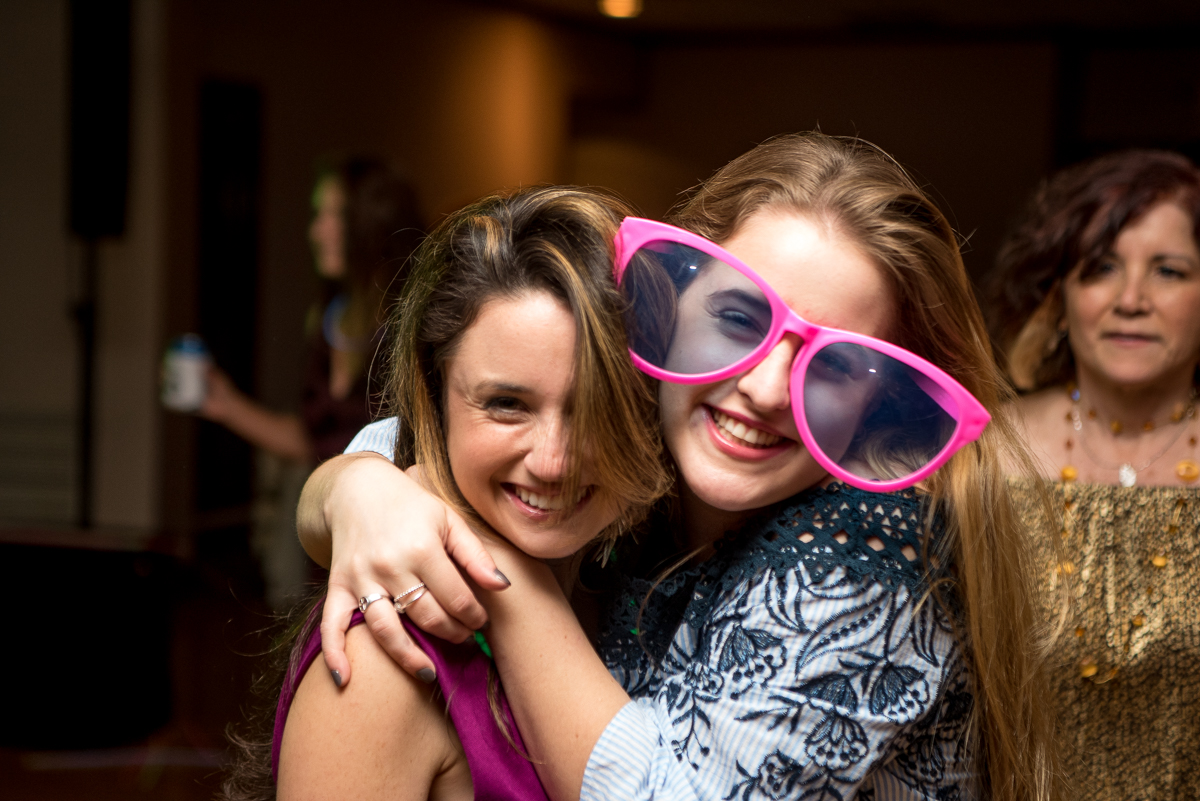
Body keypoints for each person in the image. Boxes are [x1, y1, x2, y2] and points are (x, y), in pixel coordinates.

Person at [298, 134, 1058, 801]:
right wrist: (358, 489)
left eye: (834, 365)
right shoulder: (649, 449)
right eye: (738, 318)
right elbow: (446, 433)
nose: (762, 390)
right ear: (667, 300)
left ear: (883, 402)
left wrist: (492, 560)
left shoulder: (868, 541)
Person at [222, 186, 672, 801]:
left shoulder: (637, 595)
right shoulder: (384, 661)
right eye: (507, 405)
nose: (554, 461)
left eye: (595, 408)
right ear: (435, 400)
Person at [988, 149, 1200, 800]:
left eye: (1168, 271)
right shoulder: (987, 453)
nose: (1131, 299)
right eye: (1100, 268)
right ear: (1061, 297)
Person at [195, 157, 422, 607]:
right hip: (326, 532)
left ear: (371, 220)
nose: (316, 230)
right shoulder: (326, 320)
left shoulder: (410, 324)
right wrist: (225, 404)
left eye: (331, 214)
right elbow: (310, 441)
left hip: (385, 537)